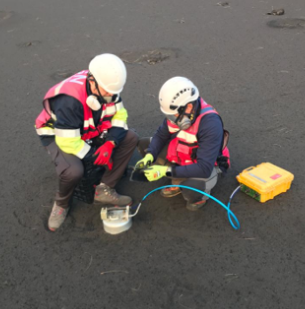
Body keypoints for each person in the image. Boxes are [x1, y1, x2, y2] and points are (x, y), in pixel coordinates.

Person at [35, 53, 138, 231]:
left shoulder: (109, 87)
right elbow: (68, 142)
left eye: (114, 93)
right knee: (74, 170)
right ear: (92, 81)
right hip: (58, 135)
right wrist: (95, 156)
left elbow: (120, 116)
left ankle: (104, 189)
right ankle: (61, 204)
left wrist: (111, 143)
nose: (110, 96)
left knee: (130, 138)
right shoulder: (69, 101)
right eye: (107, 92)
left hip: (87, 129)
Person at [135, 77, 230, 211]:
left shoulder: (210, 124)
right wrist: (149, 155)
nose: (171, 119)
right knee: (145, 145)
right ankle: (179, 178)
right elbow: (161, 135)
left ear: (189, 107)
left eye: (173, 115)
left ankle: (199, 196)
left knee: (191, 190)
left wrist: (165, 171)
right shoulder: (179, 115)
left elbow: (204, 168)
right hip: (186, 153)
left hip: (206, 165)